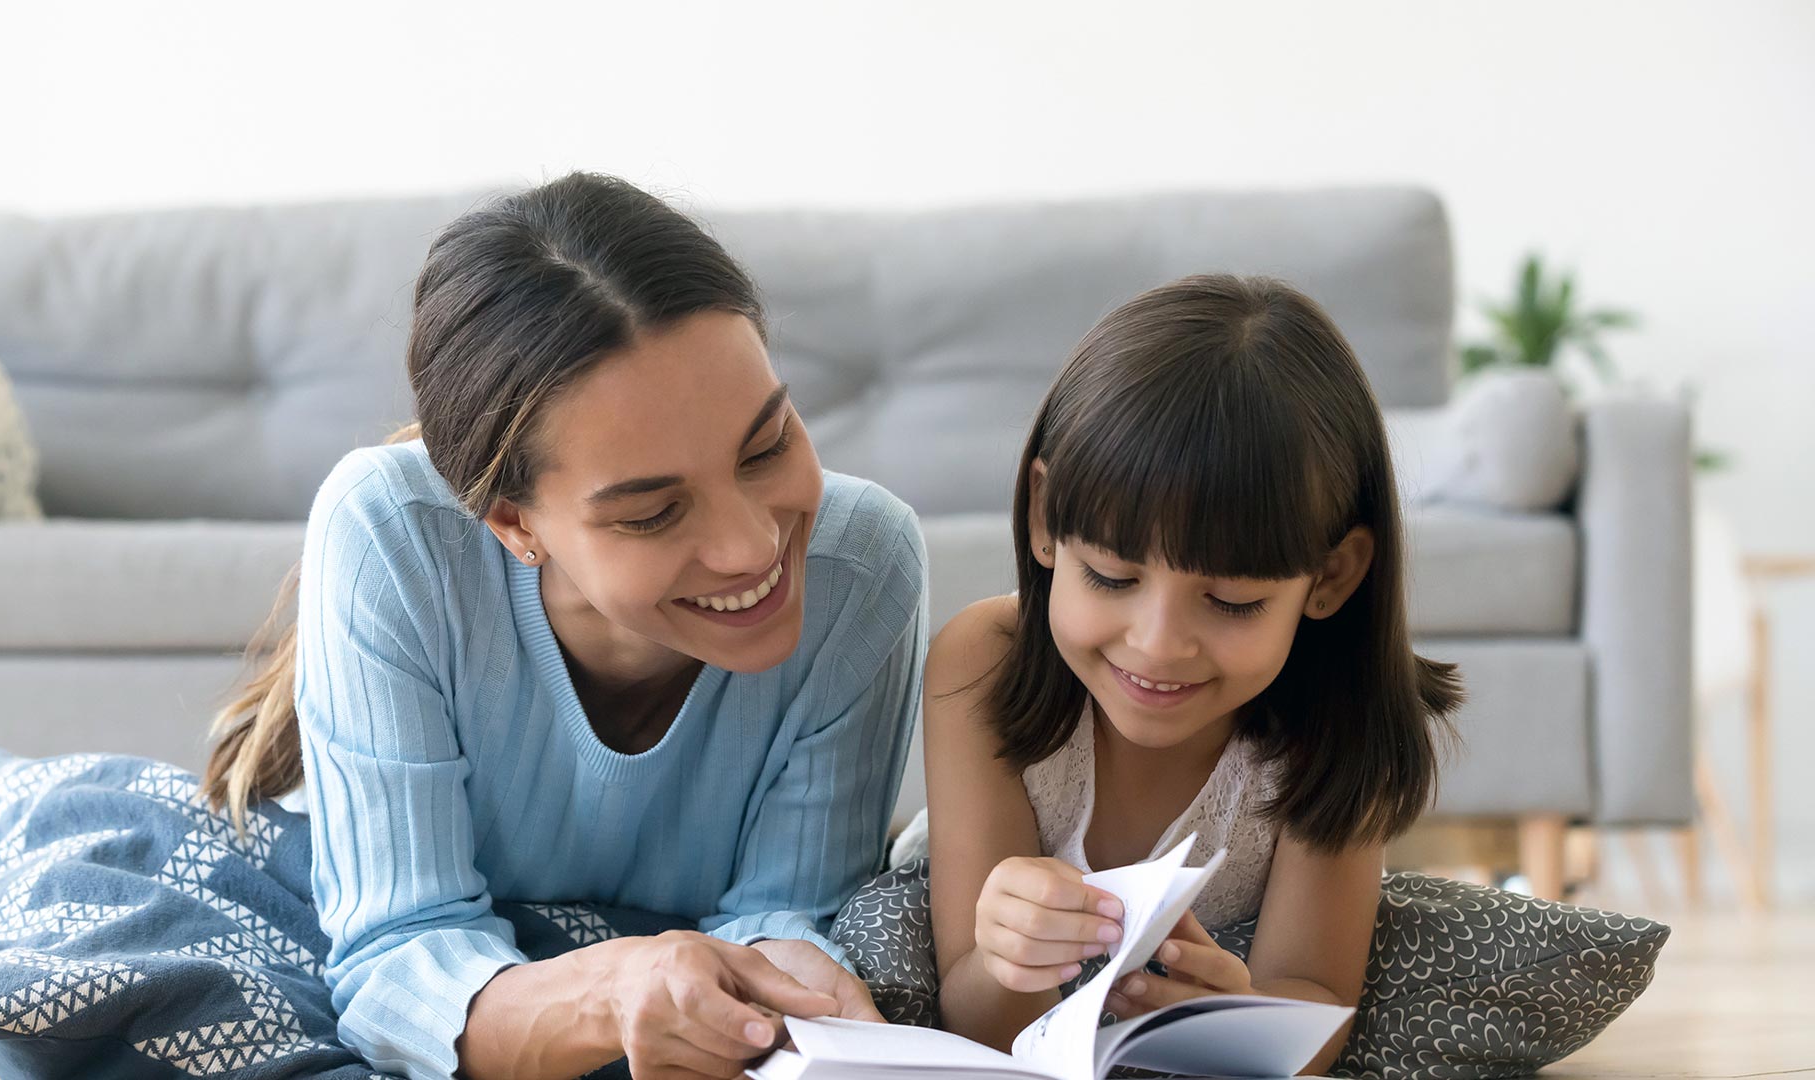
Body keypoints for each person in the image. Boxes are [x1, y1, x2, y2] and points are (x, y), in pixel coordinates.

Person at [201, 173, 928, 1080]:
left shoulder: (863, 567)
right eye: (653, 513)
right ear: (514, 524)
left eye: (768, 445)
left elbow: (787, 914)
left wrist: (784, 990)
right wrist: (614, 989)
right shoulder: (392, 534)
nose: (752, 548)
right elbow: (400, 956)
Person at [922, 275, 1461, 1074]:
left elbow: (1313, 1002)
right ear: (1045, 519)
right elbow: (971, 1018)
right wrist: (1009, 958)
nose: (1158, 645)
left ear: (1330, 578)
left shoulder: (1342, 726)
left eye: (1233, 601)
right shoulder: (985, 663)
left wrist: (1232, 1016)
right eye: (1110, 576)